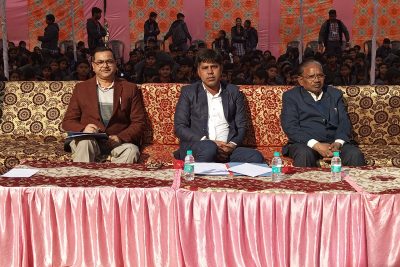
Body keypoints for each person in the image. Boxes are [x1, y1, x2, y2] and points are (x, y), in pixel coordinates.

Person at [174, 48, 264, 163]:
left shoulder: (233, 92)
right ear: (198, 72)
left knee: (255, 157)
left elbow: (241, 126)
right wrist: (208, 142)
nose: (210, 72)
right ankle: (199, 178)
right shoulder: (189, 92)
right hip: (198, 146)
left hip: (227, 149)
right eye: (205, 68)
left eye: (214, 67)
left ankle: (223, 174)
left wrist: (231, 145)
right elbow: (180, 127)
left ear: (221, 69)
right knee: (209, 148)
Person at [62, 47, 146, 163]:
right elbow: (68, 121)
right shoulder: (81, 88)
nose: (105, 65)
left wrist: (120, 138)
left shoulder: (129, 89)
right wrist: (84, 129)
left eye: (109, 61)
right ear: (93, 66)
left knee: (132, 151)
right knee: (85, 142)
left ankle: (113, 181)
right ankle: (83, 180)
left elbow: (139, 122)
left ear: (116, 64)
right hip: (90, 140)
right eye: (100, 62)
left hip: (117, 142)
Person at [280, 60, 365, 167]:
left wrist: (338, 143)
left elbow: (344, 121)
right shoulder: (291, 96)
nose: (317, 80)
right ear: (301, 80)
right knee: (304, 154)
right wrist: (316, 145)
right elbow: (290, 126)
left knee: (354, 154)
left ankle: (352, 184)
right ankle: (305, 183)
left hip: (333, 143)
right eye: (311, 77)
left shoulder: (334, 94)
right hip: (305, 143)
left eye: (320, 76)